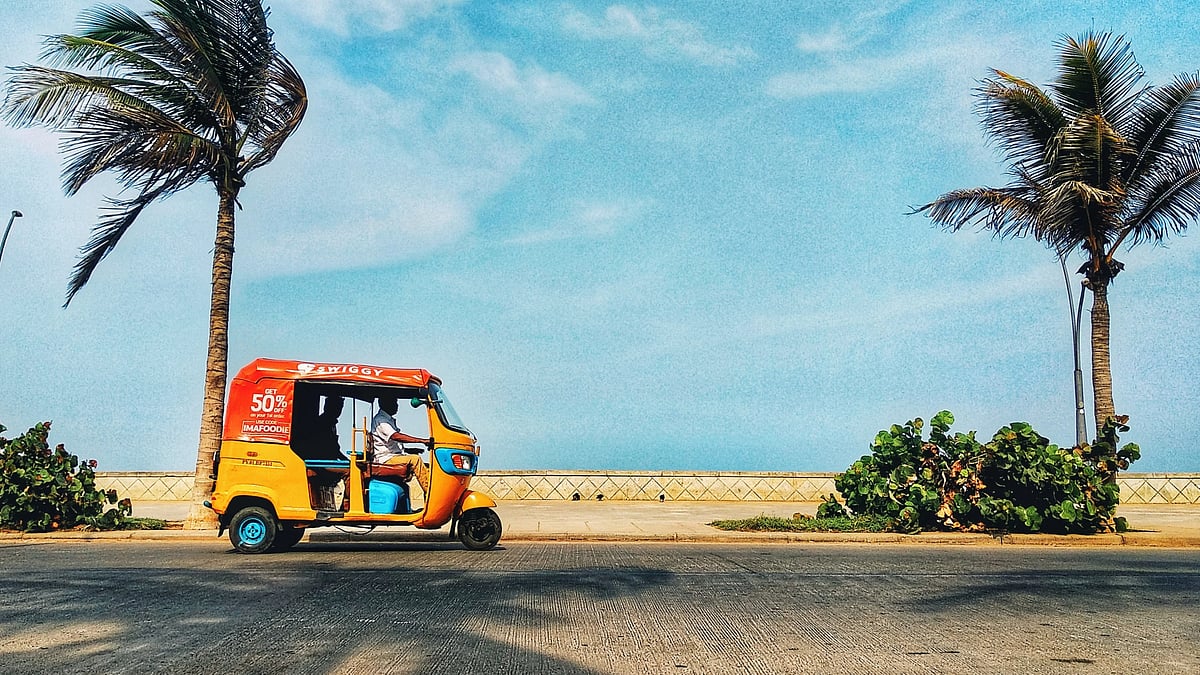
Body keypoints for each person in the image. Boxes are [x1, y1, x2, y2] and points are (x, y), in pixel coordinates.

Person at [371, 396, 432, 499]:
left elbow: (391, 444)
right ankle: (431, 493)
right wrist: (422, 441)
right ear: (385, 404)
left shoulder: (388, 420)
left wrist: (410, 450)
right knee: (415, 460)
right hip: (385, 459)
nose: (397, 406)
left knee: (427, 467)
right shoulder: (381, 420)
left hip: (392, 456)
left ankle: (428, 493)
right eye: (394, 402)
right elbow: (395, 436)